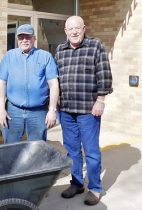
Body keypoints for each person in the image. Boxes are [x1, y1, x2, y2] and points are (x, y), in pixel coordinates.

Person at [55, 16, 113, 206]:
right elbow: (56, 80)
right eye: (70, 29)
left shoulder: (95, 46)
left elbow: (104, 74)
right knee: (72, 151)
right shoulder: (60, 50)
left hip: (89, 110)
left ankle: (95, 188)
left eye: (77, 28)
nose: (74, 32)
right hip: (66, 110)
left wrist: (101, 100)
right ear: (65, 31)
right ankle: (77, 183)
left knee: (91, 151)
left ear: (84, 28)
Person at [0, 24, 59, 143]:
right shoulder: (9, 56)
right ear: (17, 39)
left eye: (28, 37)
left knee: (37, 149)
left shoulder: (45, 57)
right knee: (10, 147)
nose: (24, 40)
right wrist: (1, 109)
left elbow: (54, 85)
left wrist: (52, 110)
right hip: (13, 111)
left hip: (38, 112)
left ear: (34, 38)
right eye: (21, 37)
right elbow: (1, 84)